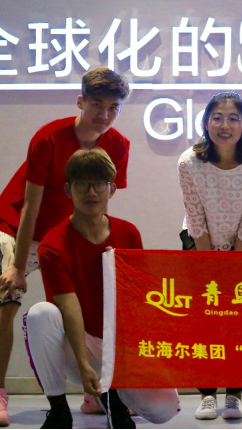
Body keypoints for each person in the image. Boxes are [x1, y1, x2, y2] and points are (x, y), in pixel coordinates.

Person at [0, 68, 130, 426]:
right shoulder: (48, 138)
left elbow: (103, 200)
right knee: (8, 301)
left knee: (91, 303)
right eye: (97, 104)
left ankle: (93, 391)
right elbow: (31, 206)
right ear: (80, 102)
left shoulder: (118, 145)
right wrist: (18, 267)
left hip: (66, 231)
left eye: (113, 107)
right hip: (16, 226)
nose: (104, 114)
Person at [24, 149, 179, 429]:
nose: (91, 192)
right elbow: (68, 306)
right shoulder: (52, 244)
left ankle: (112, 396)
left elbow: (138, 300)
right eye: (82, 184)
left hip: (119, 343)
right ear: (69, 190)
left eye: (100, 184)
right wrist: (85, 365)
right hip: (78, 343)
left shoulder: (128, 234)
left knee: (162, 410)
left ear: (112, 189)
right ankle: (59, 410)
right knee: (41, 314)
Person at [177, 92, 242, 420]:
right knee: (205, 319)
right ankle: (206, 394)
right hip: (198, 241)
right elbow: (195, 215)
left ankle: (234, 393)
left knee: (239, 319)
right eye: (217, 117)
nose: (224, 125)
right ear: (205, 123)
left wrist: (235, 263)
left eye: (233, 118)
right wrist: (209, 263)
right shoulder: (189, 161)